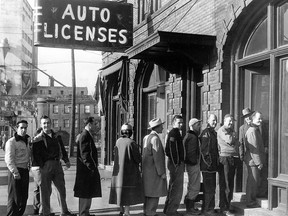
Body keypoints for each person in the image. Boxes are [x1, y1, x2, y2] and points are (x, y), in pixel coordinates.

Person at [32, 115, 76, 216]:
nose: (46, 125)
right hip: (46, 166)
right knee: (45, 192)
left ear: (50, 124)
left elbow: (62, 149)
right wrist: (42, 165)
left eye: (48, 123)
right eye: (44, 123)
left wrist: (66, 160)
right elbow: (35, 154)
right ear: (41, 125)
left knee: (61, 189)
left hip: (57, 164)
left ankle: (64, 211)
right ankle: (45, 212)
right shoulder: (38, 139)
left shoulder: (57, 136)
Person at [109, 123, 144, 216]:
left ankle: (121, 210)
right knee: (128, 191)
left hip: (118, 170)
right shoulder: (131, 143)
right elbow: (137, 158)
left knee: (120, 190)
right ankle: (127, 211)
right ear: (130, 132)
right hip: (129, 171)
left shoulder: (118, 141)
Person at [74, 117, 102, 216]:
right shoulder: (84, 136)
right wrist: (92, 167)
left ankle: (86, 212)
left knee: (88, 191)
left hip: (87, 170)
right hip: (85, 170)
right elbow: (85, 154)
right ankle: (83, 213)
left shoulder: (87, 135)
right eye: (94, 124)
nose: (96, 126)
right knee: (84, 192)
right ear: (89, 124)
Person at [4, 120, 30, 216]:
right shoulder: (11, 142)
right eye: (21, 127)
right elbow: (9, 160)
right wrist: (15, 172)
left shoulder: (27, 140)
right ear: (17, 128)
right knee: (14, 198)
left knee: (24, 197)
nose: (23, 130)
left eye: (25, 128)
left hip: (25, 170)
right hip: (16, 171)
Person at [142, 118, 167, 216]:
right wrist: (162, 173)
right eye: (161, 126)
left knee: (148, 193)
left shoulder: (146, 137)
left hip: (147, 170)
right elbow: (158, 158)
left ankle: (146, 211)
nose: (162, 127)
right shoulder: (155, 139)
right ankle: (151, 212)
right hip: (154, 171)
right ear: (156, 127)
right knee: (154, 193)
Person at [217, 114, 239, 215]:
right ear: (224, 121)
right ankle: (224, 208)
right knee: (225, 185)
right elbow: (230, 140)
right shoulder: (222, 130)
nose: (231, 123)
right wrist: (234, 136)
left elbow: (237, 142)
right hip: (225, 158)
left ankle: (227, 206)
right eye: (229, 121)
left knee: (230, 184)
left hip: (232, 158)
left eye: (232, 121)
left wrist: (234, 137)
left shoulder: (231, 131)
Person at [164, 115, 185, 216]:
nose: (181, 124)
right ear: (173, 123)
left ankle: (168, 209)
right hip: (175, 164)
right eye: (178, 122)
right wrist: (176, 163)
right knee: (176, 187)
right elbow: (171, 150)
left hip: (176, 163)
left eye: (182, 122)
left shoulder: (177, 133)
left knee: (174, 186)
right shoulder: (174, 133)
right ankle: (171, 210)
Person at [244, 111, 265, 208]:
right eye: (258, 119)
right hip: (253, 162)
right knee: (253, 182)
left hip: (254, 161)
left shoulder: (255, 130)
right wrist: (259, 163)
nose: (260, 120)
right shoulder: (252, 131)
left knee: (254, 181)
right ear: (252, 120)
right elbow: (254, 149)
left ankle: (251, 200)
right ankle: (250, 202)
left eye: (261, 118)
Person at [199, 114, 219, 216]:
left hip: (212, 166)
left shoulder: (213, 133)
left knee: (211, 188)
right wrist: (209, 164)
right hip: (208, 167)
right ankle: (207, 210)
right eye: (212, 120)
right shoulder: (206, 133)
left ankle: (209, 208)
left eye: (216, 120)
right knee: (209, 189)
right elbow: (205, 151)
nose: (214, 122)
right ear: (207, 120)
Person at [184, 118, 202, 215]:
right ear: (193, 125)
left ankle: (189, 206)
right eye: (198, 125)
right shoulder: (192, 137)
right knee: (194, 186)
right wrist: (194, 162)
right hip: (193, 164)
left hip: (192, 164)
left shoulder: (190, 136)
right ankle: (190, 209)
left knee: (192, 185)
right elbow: (191, 152)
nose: (199, 127)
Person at [30, 128, 44, 215]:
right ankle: (42, 210)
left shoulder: (33, 142)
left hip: (34, 167)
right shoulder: (37, 142)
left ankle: (36, 207)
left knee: (37, 189)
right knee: (43, 188)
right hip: (39, 167)